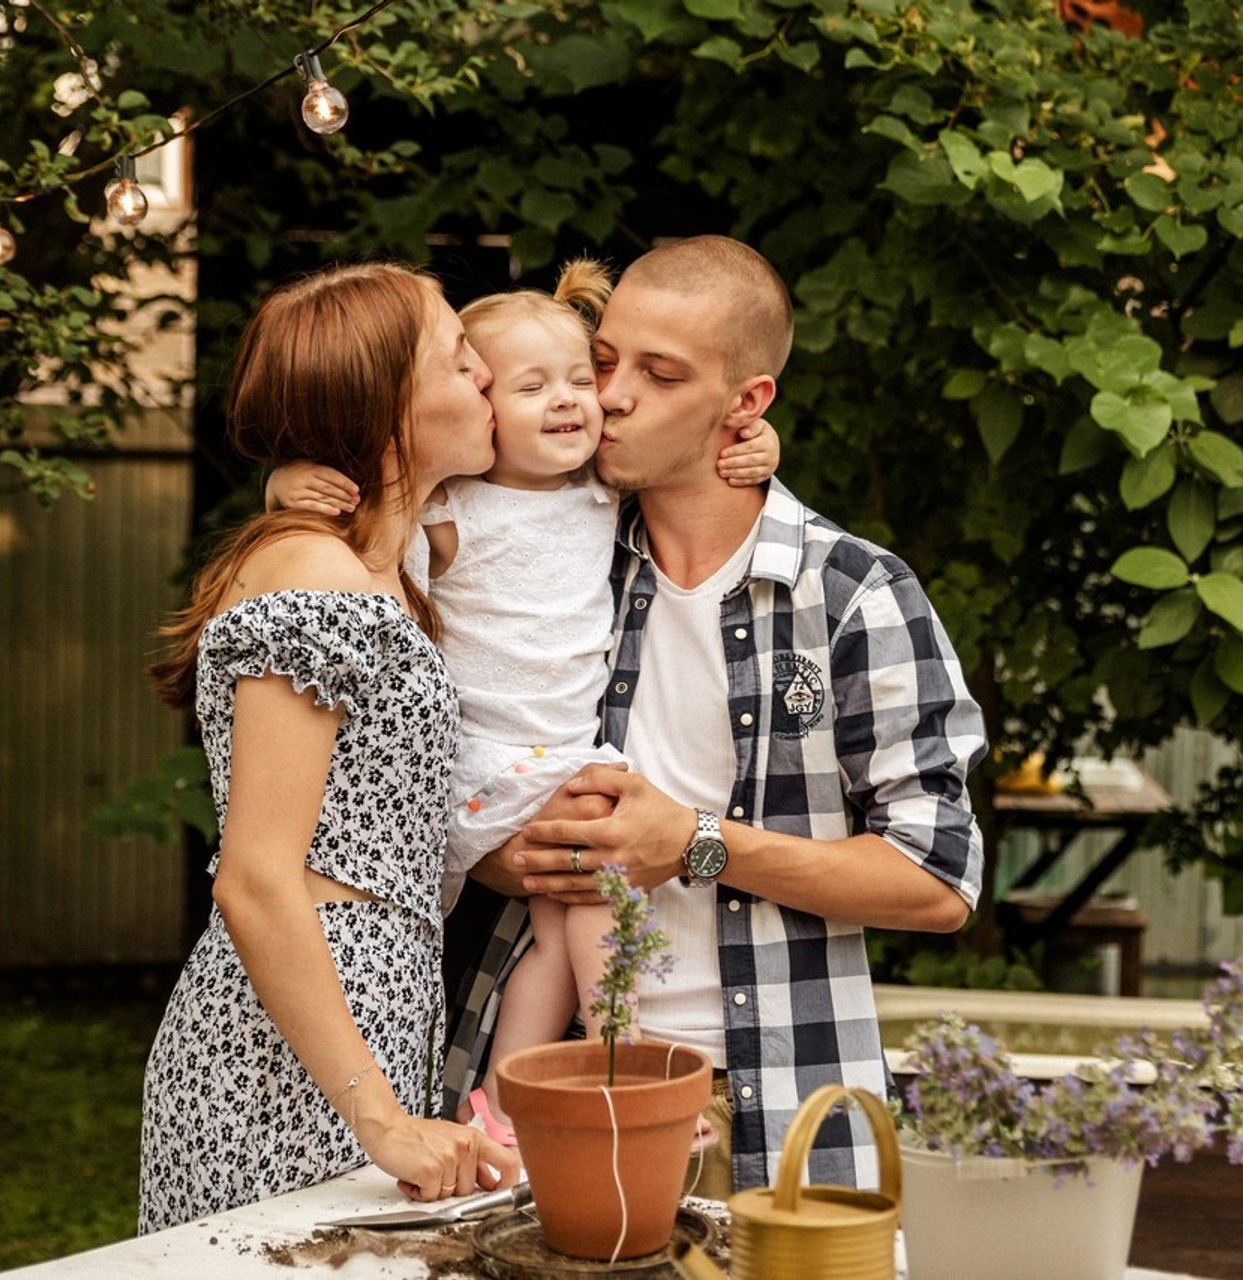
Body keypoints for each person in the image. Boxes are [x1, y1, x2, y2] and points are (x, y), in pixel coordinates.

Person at [444, 234, 987, 1201]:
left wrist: (695, 843)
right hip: (544, 1084)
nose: (609, 395)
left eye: (659, 374)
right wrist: (501, 852)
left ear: (748, 404)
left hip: (779, 1099)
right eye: (603, 360)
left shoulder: (852, 594)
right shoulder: (549, 566)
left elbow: (938, 880)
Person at [268, 259, 778, 1146]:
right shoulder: (453, 506)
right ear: (485, 410)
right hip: (491, 760)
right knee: (599, 890)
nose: (578, 401)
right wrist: (288, 487)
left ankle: (505, 1106)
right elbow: (362, 529)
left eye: (582, 377)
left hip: (551, 755)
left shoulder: (602, 492)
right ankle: (626, 1069)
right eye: (531, 385)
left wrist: (759, 448)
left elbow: (688, 447)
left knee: (556, 928)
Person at [139, 261, 520, 1234]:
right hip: (275, 1054)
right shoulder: (308, 570)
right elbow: (256, 875)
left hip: (367, 1016)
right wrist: (383, 1118)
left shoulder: (382, 568)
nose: (485, 375)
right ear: (383, 400)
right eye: (457, 357)